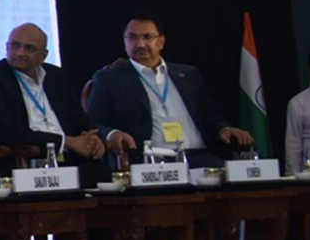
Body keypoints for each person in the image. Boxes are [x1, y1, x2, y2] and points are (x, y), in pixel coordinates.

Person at [0, 22, 111, 240]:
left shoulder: (56, 77)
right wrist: (66, 142)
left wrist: (92, 137)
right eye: (14, 46)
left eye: (29, 48)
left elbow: (77, 117)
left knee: (103, 179)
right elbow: (6, 131)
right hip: (22, 161)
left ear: (44, 55)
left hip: (67, 160)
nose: (19, 53)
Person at [84, 12, 253, 168]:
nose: (140, 44)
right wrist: (112, 134)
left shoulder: (188, 74)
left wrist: (224, 129)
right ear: (124, 41)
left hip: (198, 157)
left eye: (147, 37)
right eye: (132, 37)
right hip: (150, 160)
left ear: (161, 42)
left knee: (237, 178)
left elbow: (208, 115)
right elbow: (93, 123)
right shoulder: (110, 78)